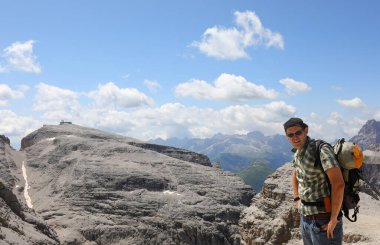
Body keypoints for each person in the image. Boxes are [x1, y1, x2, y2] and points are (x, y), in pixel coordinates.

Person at [283, 117, 345, 245]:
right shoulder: (298, 152)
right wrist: (296, 199)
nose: (295, 137)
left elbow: (338, 184)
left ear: (306, 130)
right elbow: (295, 173)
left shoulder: (321, 150)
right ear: (287, 136)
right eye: (290, 135)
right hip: (305, 220)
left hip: (324, 220)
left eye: (298, 133)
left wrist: (333, 219)